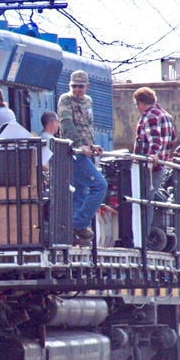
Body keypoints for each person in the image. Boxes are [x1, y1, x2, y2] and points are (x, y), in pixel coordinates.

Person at [58, 70, 108, 244]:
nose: (77, 90)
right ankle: (79, 224)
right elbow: (66, 124)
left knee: (79, 191)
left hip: (84, 152)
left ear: (87, 86)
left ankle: (72, 233)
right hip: (73, 152)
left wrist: (92, 145)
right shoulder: (65, 99)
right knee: (99, 185)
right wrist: (79, 146)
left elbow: (87, 125)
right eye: (74, 86)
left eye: (80, 86)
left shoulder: (88, 102)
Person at [133, 86, 176, 234]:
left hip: (149, 167)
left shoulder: (150, 115)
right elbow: (172, 139)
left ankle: (142, 236)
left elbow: (154, 139)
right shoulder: (166, 115)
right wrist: (164, 156)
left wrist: (153, 156)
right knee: (149, 199)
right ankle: (146, 233)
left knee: (143, 201)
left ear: (140, 103)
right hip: (161, 166)